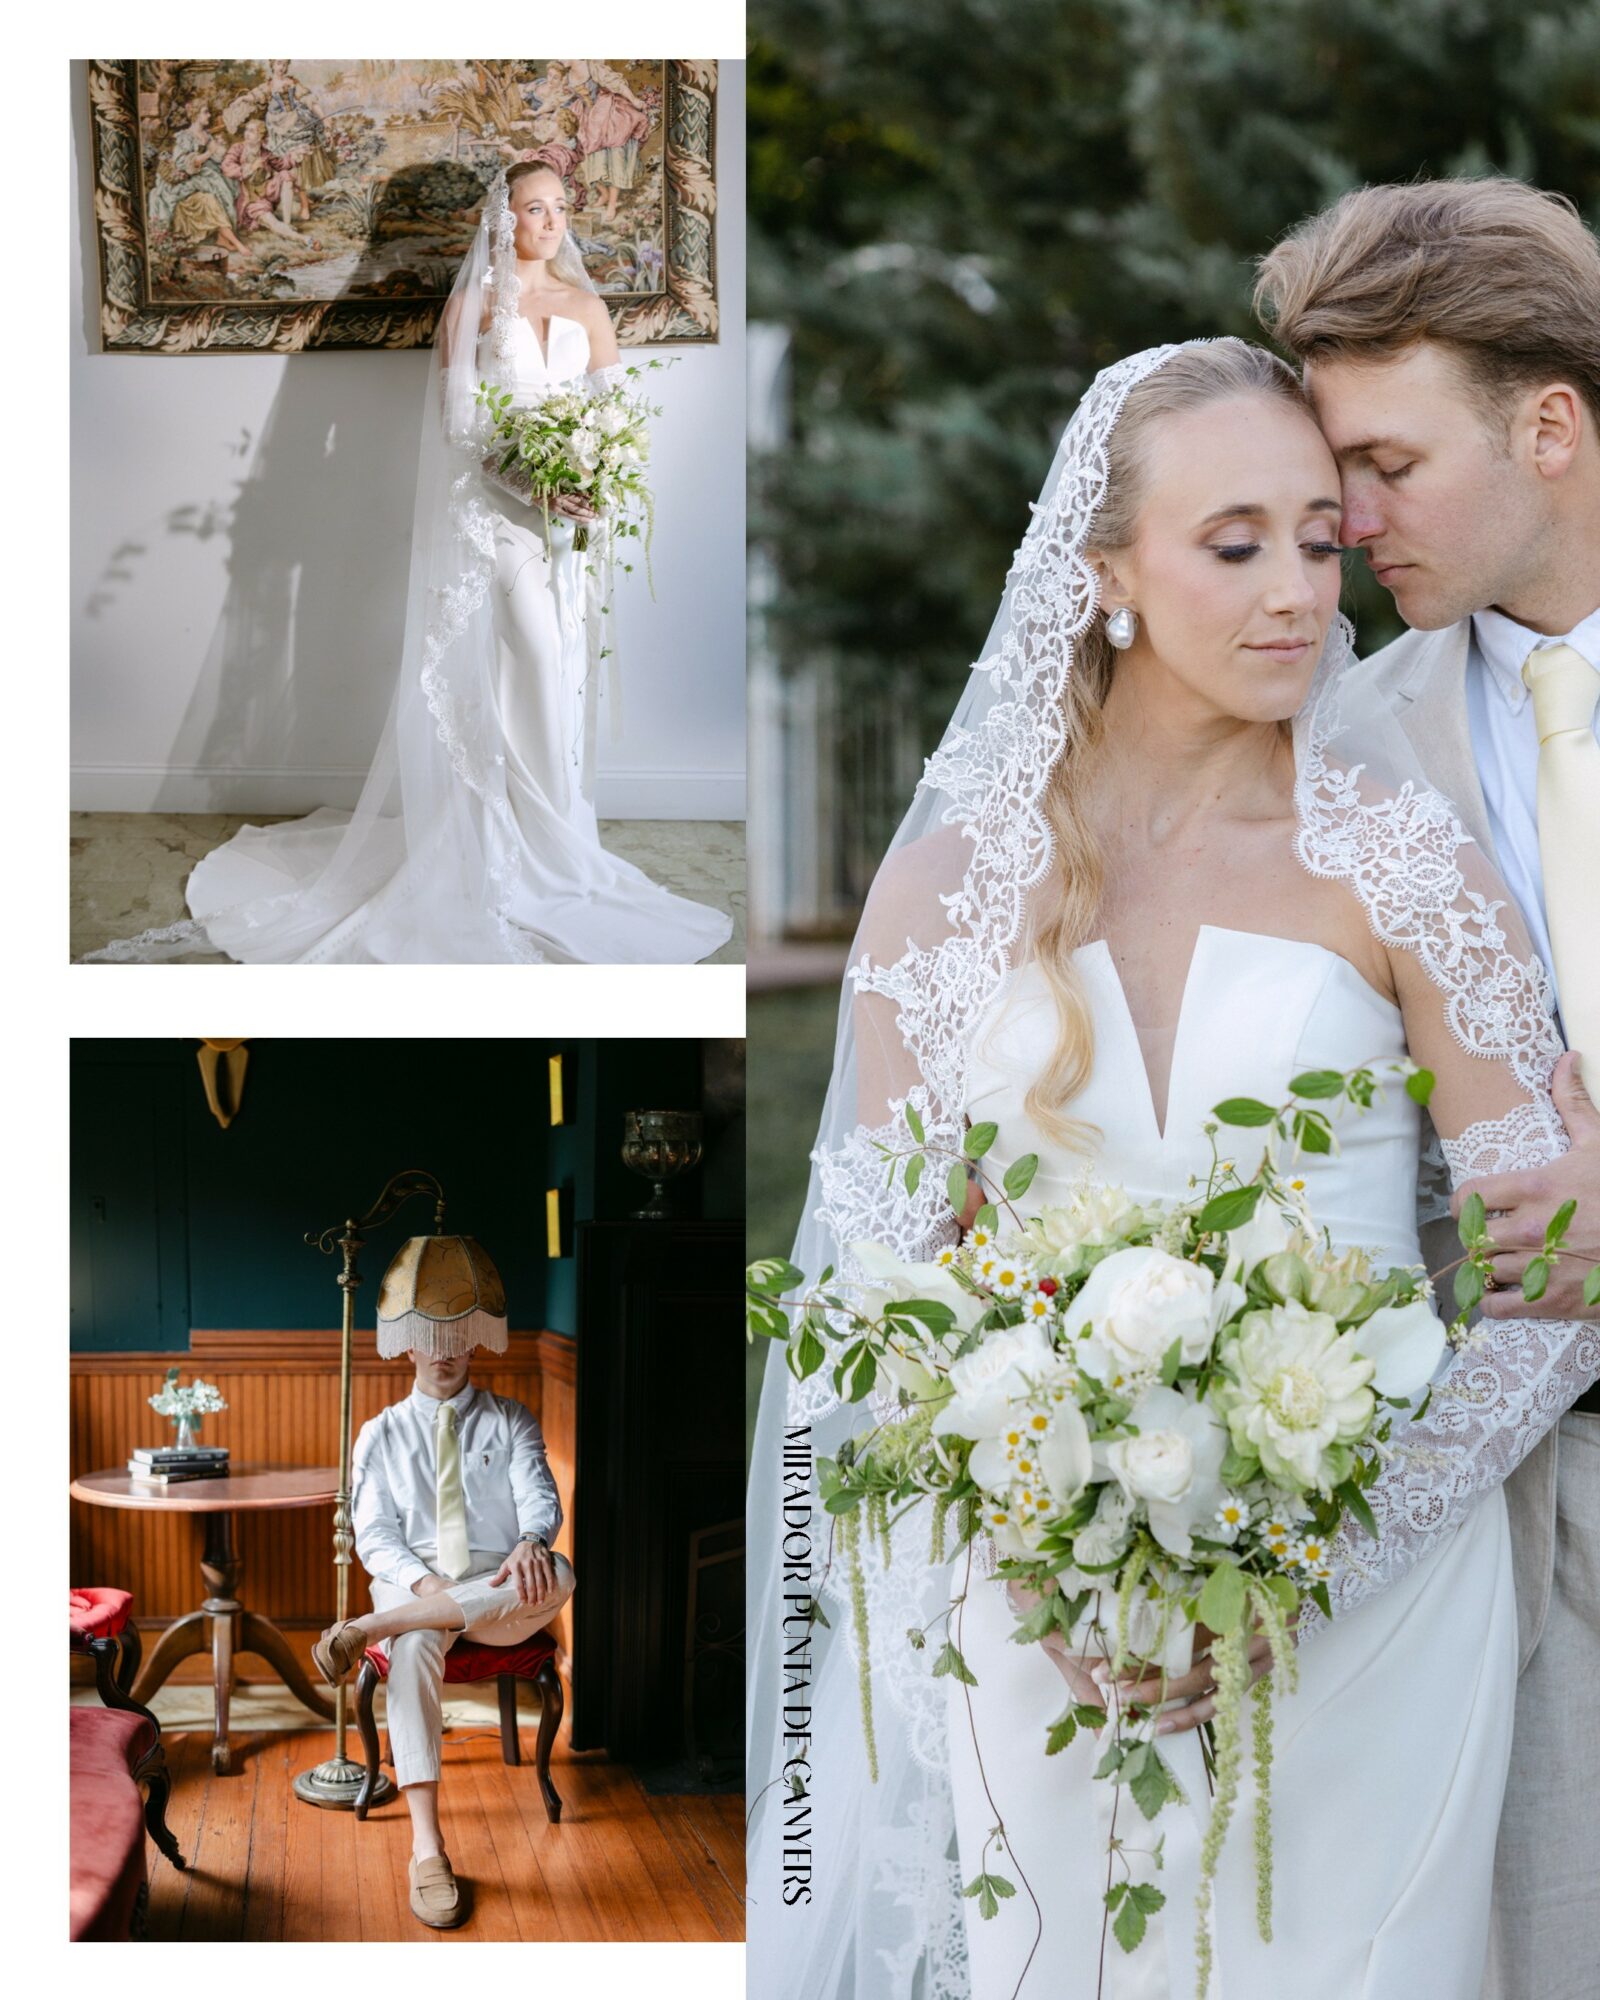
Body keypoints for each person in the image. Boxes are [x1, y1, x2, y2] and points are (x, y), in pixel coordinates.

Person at [746, 338, 1599, 1997]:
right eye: (1233, 545)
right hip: (1048, 1618)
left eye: (1317, 541)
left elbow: (1553, 1289)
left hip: (1381, 1608)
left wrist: (1308, 1570)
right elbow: (881, 1295)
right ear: (1107, 570)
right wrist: (1039, 1556)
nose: (1293, 592)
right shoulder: (943, 893)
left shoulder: (1405, 864)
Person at [1255, 176, 1600, 2000]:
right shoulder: (1342, 740)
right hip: (1505, 1522)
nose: (1347, 522)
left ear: (1549, 424)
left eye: (1386, 463)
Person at [87, 161, 731, 964]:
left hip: (570, 522)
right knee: (531, 653)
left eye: (561, 206)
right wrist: (528, 477)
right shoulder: (470, 308)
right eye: (536, 208)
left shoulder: (585, 305)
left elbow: (616, 412)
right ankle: (509, 841)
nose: (553, 221)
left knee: (560, 666)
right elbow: (458, 428)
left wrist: (595, 478)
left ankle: (557, 835)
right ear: (504, 220)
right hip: (495, 514)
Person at [313, 1336, 573, 1930]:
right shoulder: (380, 1433)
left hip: (501, 1593)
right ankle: (427, 1849)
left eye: (457, 1336)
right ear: (407, 1347)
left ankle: (371, 1628)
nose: (444, 1351)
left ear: (475, 1342)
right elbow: (375, 1537)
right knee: (417, 1646)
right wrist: (428, 1590)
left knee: (560, 1571)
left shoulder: (511, 1419)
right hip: (415, 1585)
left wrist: (532, 1539)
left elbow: (540, 1495)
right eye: (430, 1338)